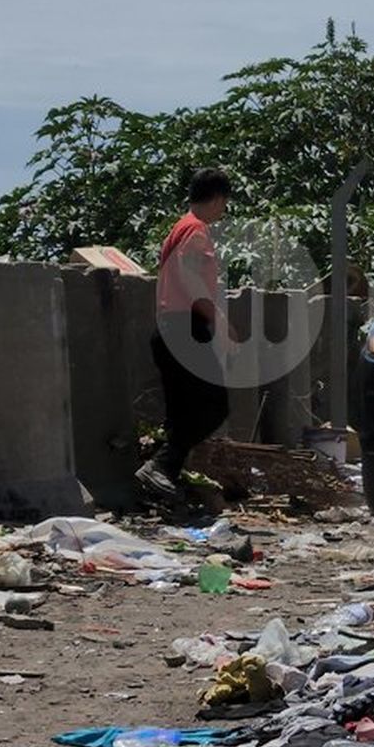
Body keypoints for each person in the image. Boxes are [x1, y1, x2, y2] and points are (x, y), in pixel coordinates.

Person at [135, 167, 235, 508]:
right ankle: (161, 465)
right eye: (224, 204)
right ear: (218, 199)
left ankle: (164, 482)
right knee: (214, 404)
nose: (223, 212)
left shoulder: (177, 229)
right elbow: (191, 279)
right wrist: (217, 319)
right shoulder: (196, 231)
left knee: (182, 413)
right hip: (185, 328)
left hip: (167, 327)